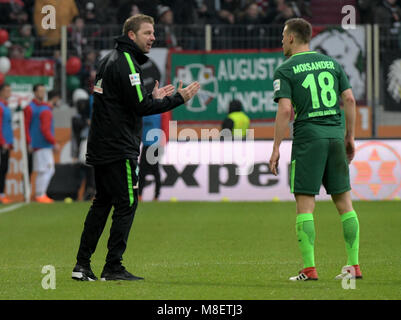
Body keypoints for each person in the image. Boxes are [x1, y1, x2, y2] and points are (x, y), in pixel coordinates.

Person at [72, 14, 200, 282]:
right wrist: (179, 98)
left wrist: (150, 97)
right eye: (148, 33)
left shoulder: (108, 60)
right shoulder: (128, 63)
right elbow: (140, 108)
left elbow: (124, 102)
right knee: (127, 203)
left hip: (101, 145)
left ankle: (82, 265)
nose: (153, 37)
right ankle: (113, 266)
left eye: (153, 33)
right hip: (119, 148)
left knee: (101, 203)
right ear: (131, 35)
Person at [269, 18, 362, 281]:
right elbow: (350, 99)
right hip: (335, 135)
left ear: (290, 38)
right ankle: (353, 265)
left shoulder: (285, 69)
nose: (281, 40)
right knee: (345, 204)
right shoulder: (332, 64)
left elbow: (286, 110)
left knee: (305, 206)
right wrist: (350, 137)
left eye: (282, 35)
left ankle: (309, 268)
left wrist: (276, 147)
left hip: (309, 139)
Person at [31, 90, 61, 203]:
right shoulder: (46, 111)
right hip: (43, 145)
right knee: (48, 170)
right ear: (55, 98)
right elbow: (45, 130)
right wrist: (54, 143)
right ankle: (40, 194)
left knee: (43, 170)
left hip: (41, 145)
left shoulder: (42, 110)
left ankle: (40, 194)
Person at [25, 83, 47, 179]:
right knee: (28, 168)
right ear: (35, 92)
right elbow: (26, 126)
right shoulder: (29, 107)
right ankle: (27, 191)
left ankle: (40, 192)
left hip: (41, 144)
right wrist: (29, 142)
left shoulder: (45, 107)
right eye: (40, 91)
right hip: (32, 144)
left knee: (43, 169)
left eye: (44, 91)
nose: (42, 94)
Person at [138, 114, 162, 201]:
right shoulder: (146, 114)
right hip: (146, 145)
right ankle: (140, 195)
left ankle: (156, 196)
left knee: (154, 171)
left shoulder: (157, 114)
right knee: (143, 172)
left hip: (154, 145)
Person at [0, 84, 14, 204]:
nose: (9, 92)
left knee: (4, 169)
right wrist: (2, 141)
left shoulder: (6, 106)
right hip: (2, 144)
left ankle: (2, 194)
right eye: (7, 90)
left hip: (6, 143)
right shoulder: (1, 107)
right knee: (1, 169)